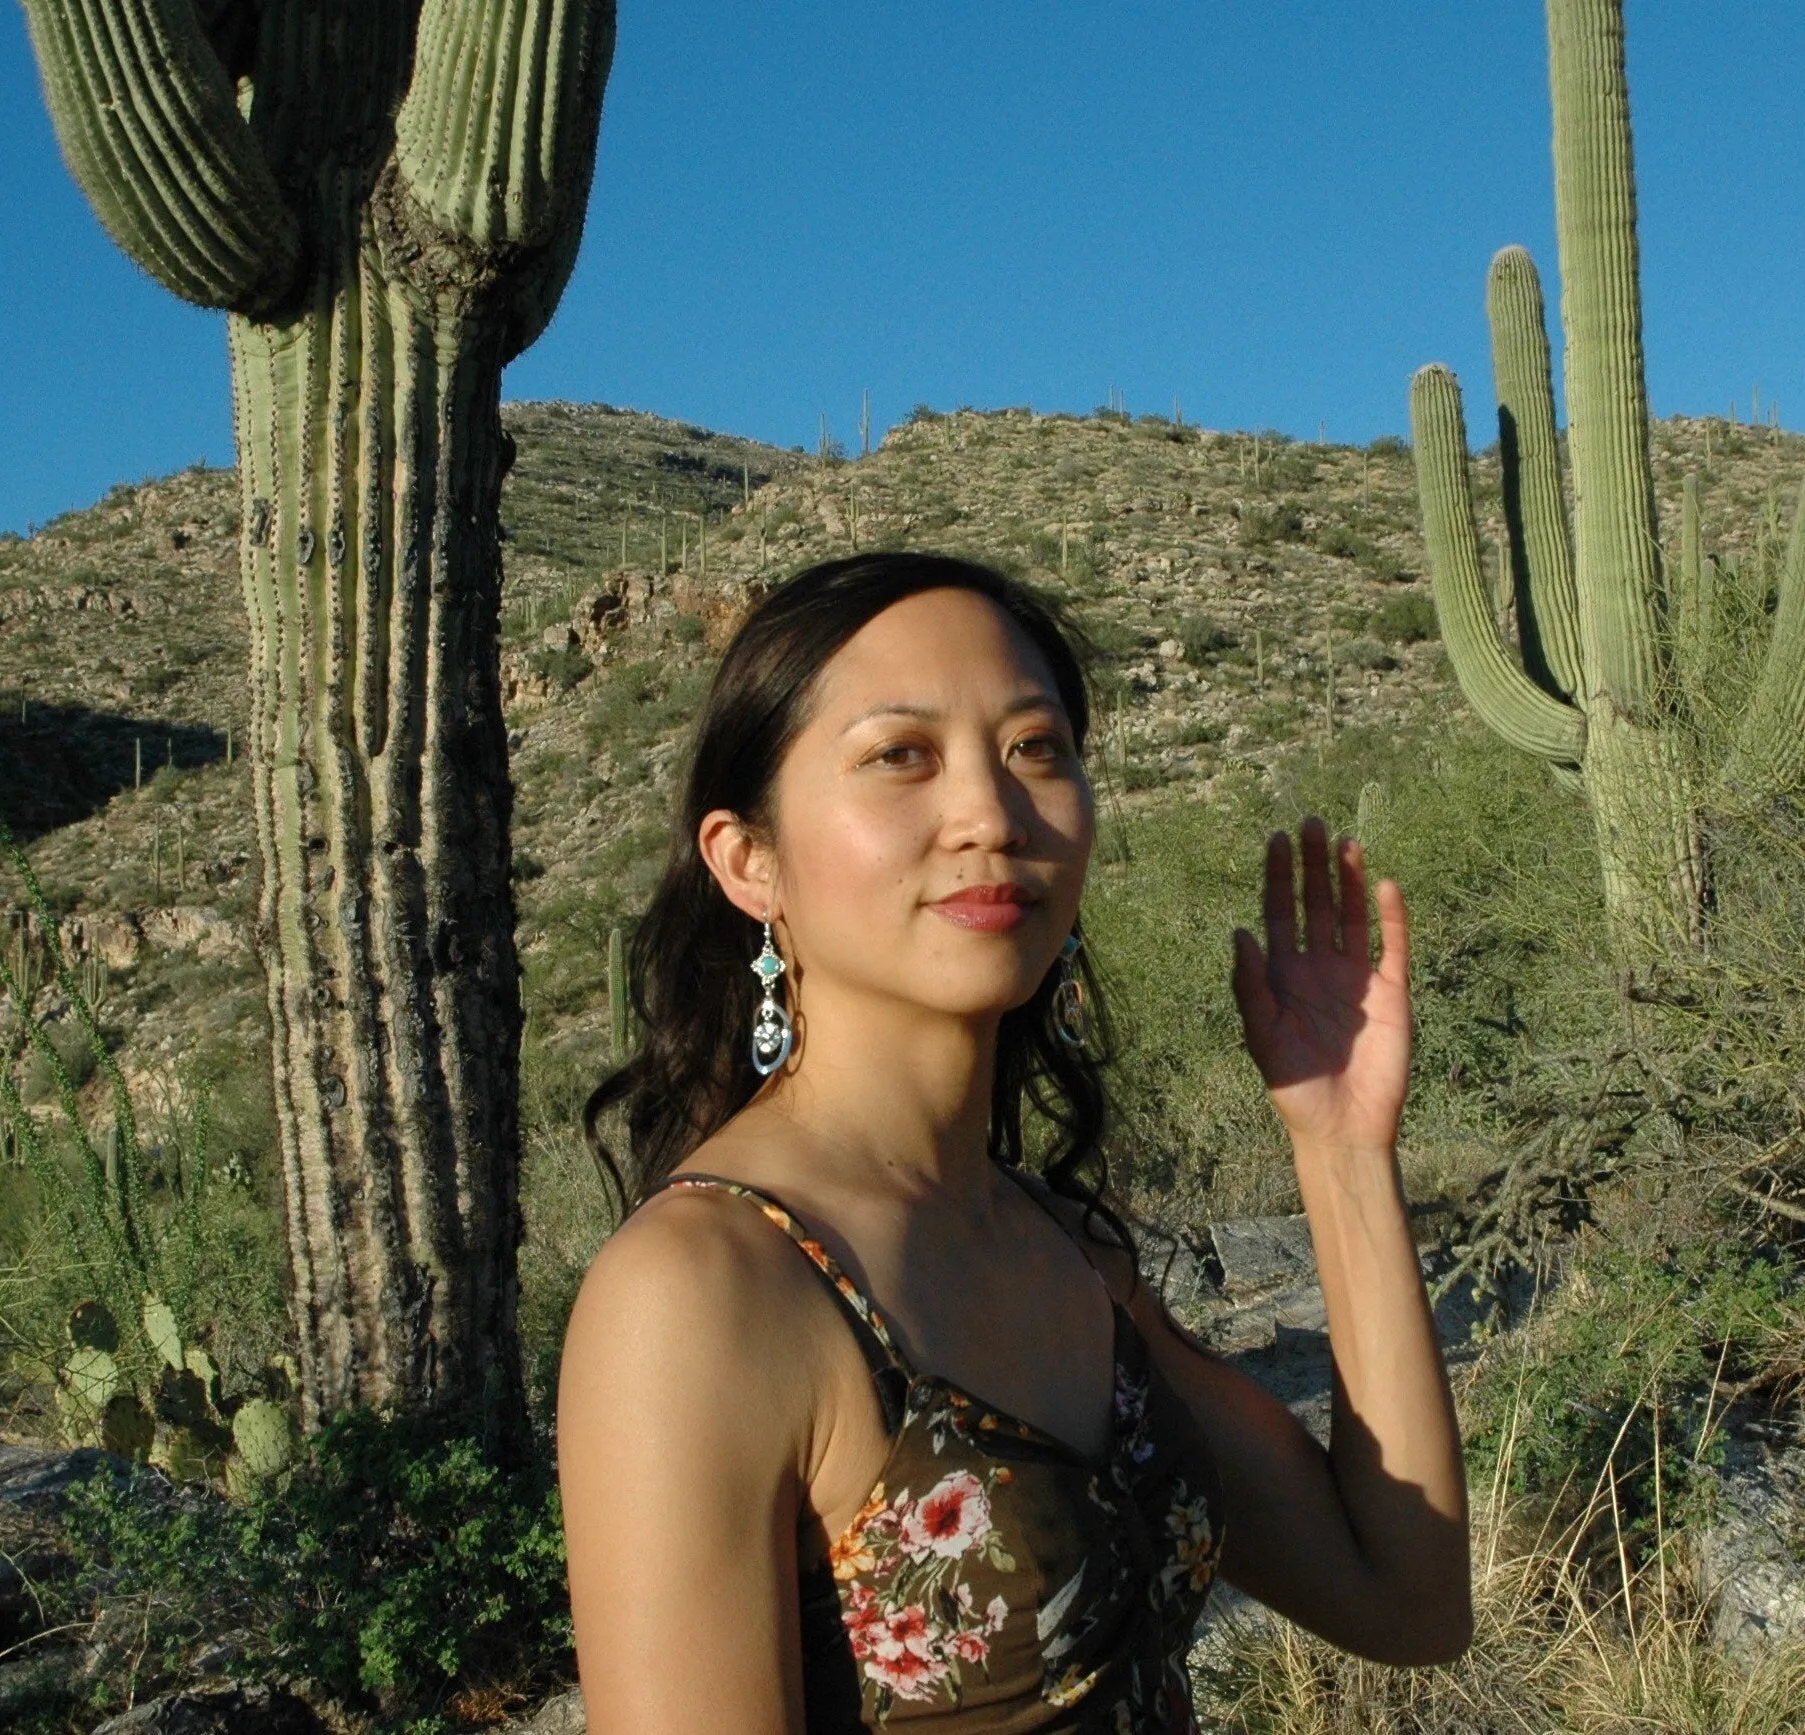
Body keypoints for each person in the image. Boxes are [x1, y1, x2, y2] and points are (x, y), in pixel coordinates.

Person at [557, 552, 1471, 1733]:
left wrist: (1340, 1150)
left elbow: (1403, 1602)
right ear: (749, 860)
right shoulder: (703, 1290)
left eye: (1035, 748)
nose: (990, 814)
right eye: (899, 756)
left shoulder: (1063, 1252)